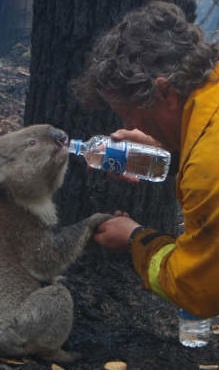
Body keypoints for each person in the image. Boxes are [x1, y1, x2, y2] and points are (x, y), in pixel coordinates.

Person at [72, 1, 219, 318]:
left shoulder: (209, 167)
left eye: (128, 114)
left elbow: (196, 289)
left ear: (164, 92)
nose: (128, 128)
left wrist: (136, 239)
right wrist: (168, 144)